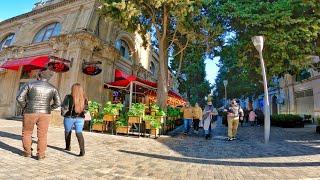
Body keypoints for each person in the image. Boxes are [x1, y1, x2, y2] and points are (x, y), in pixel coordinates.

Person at [16, 69, 61, 160]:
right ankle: (41, 154)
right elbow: (58, 103)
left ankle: (27, 152)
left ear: (38, 76)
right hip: (45, 114)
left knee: (27, 133)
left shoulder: (29, 84)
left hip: (30, 112)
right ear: (48, 78)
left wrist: (26, 107)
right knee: (42, 135)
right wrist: (49, 108)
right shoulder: (53, 88)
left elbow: (19, 98)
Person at [61, 83, 88, 156]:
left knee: (67, 132)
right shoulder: (84, 98)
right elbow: (86, 110)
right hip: (80, 118)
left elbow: (64, 107)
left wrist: (63, 114)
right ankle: (82, 151)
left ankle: (67, 147)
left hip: (69, 117)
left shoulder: (68, 97)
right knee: (79, 133)